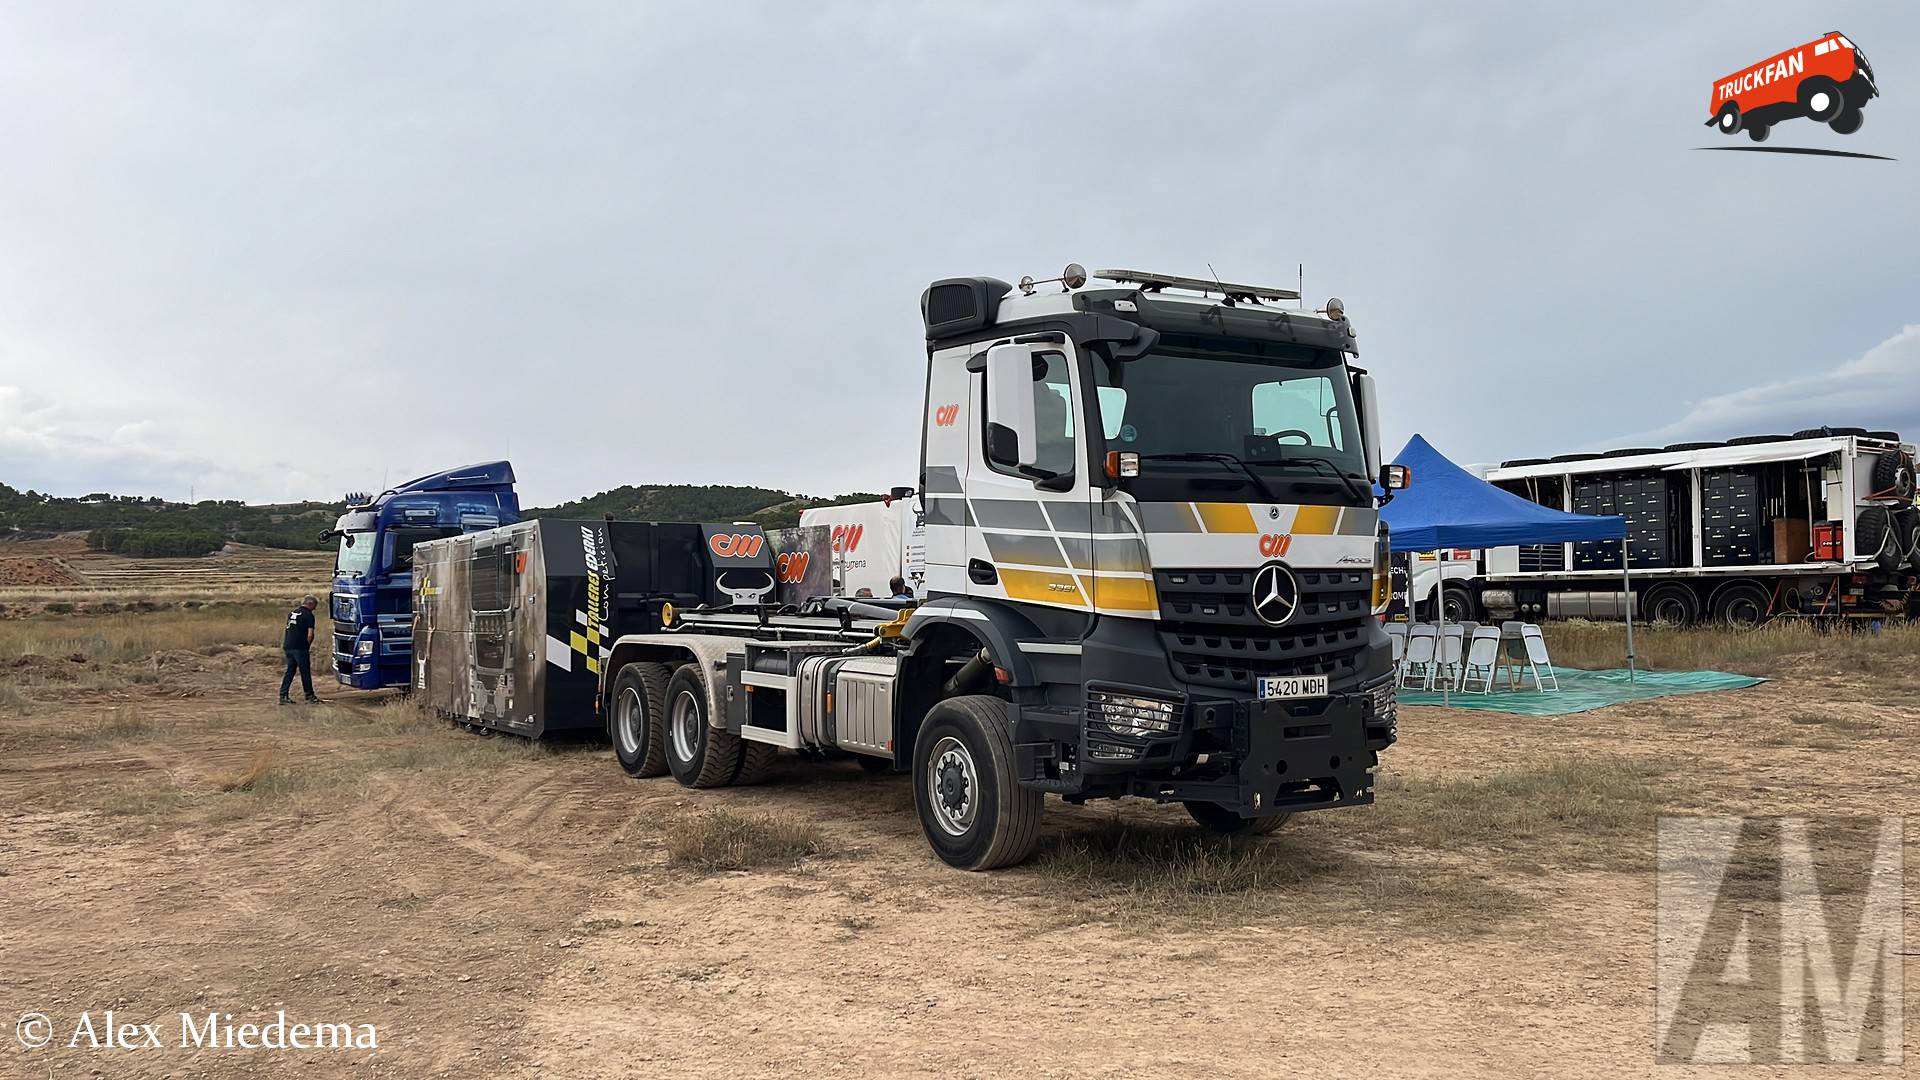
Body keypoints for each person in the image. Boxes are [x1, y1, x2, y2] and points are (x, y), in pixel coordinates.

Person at [280, 594, 320, 705]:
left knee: (290, 671)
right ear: (310, 604)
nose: (315, 608)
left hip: (288, 645)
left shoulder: (292, 613)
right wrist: (307, 645)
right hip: (300, 647)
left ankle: (283, 695)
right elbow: (310, 634)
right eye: (315, 606)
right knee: (305, 672)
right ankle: (309, 695)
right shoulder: (308, 615)